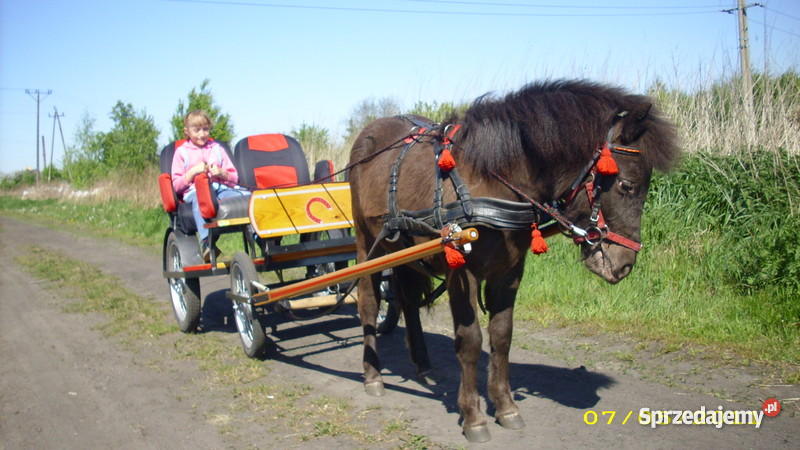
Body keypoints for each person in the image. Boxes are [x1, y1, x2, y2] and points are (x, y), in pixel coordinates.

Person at [171, 110, 247, 261]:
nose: (202, 134)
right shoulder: (181, 153)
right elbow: (176, 186)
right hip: (195, 191)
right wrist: (192, 172)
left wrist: (222, 173)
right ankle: (207, 243)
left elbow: (235, 178)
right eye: (197, 130)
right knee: (201, 198)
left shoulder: (217, 149)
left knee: (246, 198)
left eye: (205, 129)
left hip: (221, 188)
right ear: (187, 131)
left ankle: (262, 236)